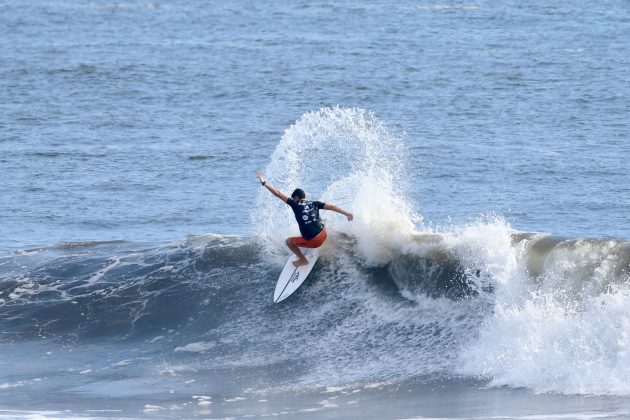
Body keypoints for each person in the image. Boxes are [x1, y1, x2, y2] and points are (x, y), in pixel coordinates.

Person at [256, 172, 353, 267]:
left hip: (315, 242)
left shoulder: (295, 204)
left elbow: (278, 193)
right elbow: (332, 206)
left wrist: (264, 183)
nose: (293, 200)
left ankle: (303, 260)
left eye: (294, 199)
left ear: (297, 197)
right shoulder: (314, 203)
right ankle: (311, 239)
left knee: (288, 242)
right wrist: (347, 213)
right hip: (324, 234)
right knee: (319, 219)